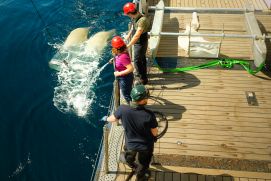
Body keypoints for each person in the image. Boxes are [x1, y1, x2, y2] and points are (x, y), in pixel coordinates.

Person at [105, 85, 158, 181]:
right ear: (142, 100)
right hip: (145, 146)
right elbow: (154, 132)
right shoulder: (149, 115)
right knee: (143, 164)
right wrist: (155, 137)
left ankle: (131, 164)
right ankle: (140, 177)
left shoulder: (122, 109)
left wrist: (105, 118)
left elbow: (112, 119)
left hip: (130, 144)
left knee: (129, 156)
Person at [123, 2, 150, 85]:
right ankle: (144, 76)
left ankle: (141, 79)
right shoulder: (135, 17)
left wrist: (128, 46)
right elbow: (132, 28)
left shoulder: (142, 20)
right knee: (142, 59)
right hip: (138, 42)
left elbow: (137, 35)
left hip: (141, 42)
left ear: (130, 13)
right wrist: (127, 37)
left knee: (137, 61)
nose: (128, 16)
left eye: (127, 14)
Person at [111, 36, 134, 104]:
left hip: (125, 78)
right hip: (124, 77)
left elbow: (131, 68)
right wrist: (114, 59)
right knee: (128, 91)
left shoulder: (123, 57)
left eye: (113, 47)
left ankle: (132, 108)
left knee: (126, 95)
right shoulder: (121, 52)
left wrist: (119, 73)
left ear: (117, 48)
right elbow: (118, 57)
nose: (112, 48)